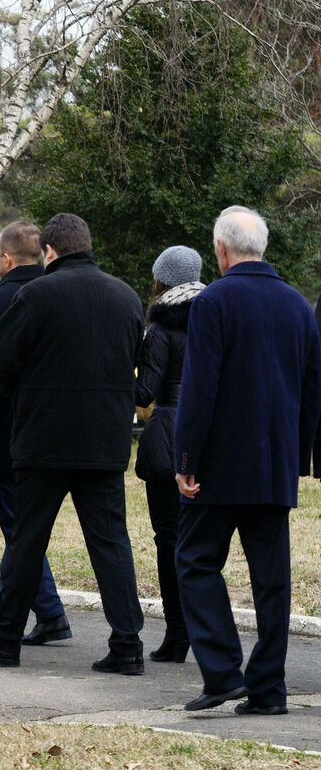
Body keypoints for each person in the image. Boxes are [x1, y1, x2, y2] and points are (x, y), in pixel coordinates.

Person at [0, 213, 146, 673]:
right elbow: (134, 361)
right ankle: (127, 645)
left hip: (43, 441)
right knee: (111, 544)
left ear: (48, 251)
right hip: (104, 442)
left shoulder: (36, 295)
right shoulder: (126, 297)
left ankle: (5, 641)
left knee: (27, 542)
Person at [174, 206, 321, 715]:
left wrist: (186, 457)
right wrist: (297, 454)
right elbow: (312, 388)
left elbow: (199, 388)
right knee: (271, 580)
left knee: (195, 560)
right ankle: (269, 688)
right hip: (274, 462)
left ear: (221, 249)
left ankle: (222, 671)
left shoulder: (213, 301)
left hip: (219, 462)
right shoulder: (297, 305)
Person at [0, 222, 71, 647]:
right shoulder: (61, 296)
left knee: (19, 530)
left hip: (6, 432)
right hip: (55, 427)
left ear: (7, 258)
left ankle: (30, 614)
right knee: (26, 530)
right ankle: (46, 611)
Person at [134, 245, 205, 664]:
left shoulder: (161, 326)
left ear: (161, 279)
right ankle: (204, 631)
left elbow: (145, 392)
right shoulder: (215, 317)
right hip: (210, 437)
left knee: (168, 540)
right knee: (201, 543)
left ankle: (177, 633)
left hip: (169, 437)